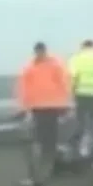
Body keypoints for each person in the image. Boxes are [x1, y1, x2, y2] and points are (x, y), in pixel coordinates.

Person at [16, 42, 72, 174]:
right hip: (37, 105)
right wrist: (23, 105)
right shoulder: (29, 67)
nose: (40, 53)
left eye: (41, 51)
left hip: (53, 104)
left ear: (45, 51)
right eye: (38, 51)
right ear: (35, 52)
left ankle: (50, 155)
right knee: (41, 130)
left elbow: (64, 83)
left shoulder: (54, 65)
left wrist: (66, 103)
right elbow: (23, 87)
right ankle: (46, 155)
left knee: (51, 130)